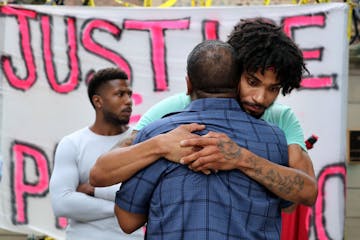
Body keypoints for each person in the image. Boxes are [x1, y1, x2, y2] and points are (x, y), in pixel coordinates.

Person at [90, 18, 317, 208]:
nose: (260, 97)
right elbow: (101, 173)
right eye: (252, 81)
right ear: (233, 69)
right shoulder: (173, 109)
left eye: (273, 89)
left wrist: (241, 158)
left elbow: (308, 192)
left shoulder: (281, 118)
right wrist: (159, 145)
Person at [115, 39, 291, 239]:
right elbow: (290, 203)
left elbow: (127, 221)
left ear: (189, 84)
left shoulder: (159, 133)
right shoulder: (274, 138)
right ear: (237, 83)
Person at [49, 67, 143, 240]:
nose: (129, 101)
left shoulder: (141, 141)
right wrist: (121, 209)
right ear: (98, 101)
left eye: (129, 94)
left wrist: (94, 191)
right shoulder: (72, 144)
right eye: (120, 94)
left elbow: (143, 196)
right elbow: (62, 204)